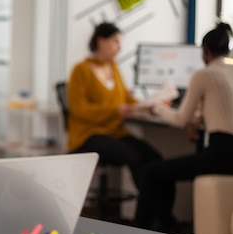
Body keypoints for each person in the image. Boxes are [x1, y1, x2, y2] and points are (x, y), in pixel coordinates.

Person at [134, 22, 233, 233]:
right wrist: (196, 121)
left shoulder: (203, 75)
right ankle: (165, 225)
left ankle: (138, 231)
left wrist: (157, 108)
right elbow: (218, 107)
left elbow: (180, 119)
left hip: (223, 155)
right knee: (163, 171)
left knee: (152, 171)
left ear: (205, 51)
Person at [66, 22, 162, 192]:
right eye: (116, 42)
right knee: (134, 158)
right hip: (89, 134)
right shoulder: (80, 70)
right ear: (101, 41)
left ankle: (162, 214)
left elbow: (126, 97)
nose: (119, 48)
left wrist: (147, 105)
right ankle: (146, 215)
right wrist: (115, 110)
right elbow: (79, 110)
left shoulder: (114, 67)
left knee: (155, 158)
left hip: (115, 132)